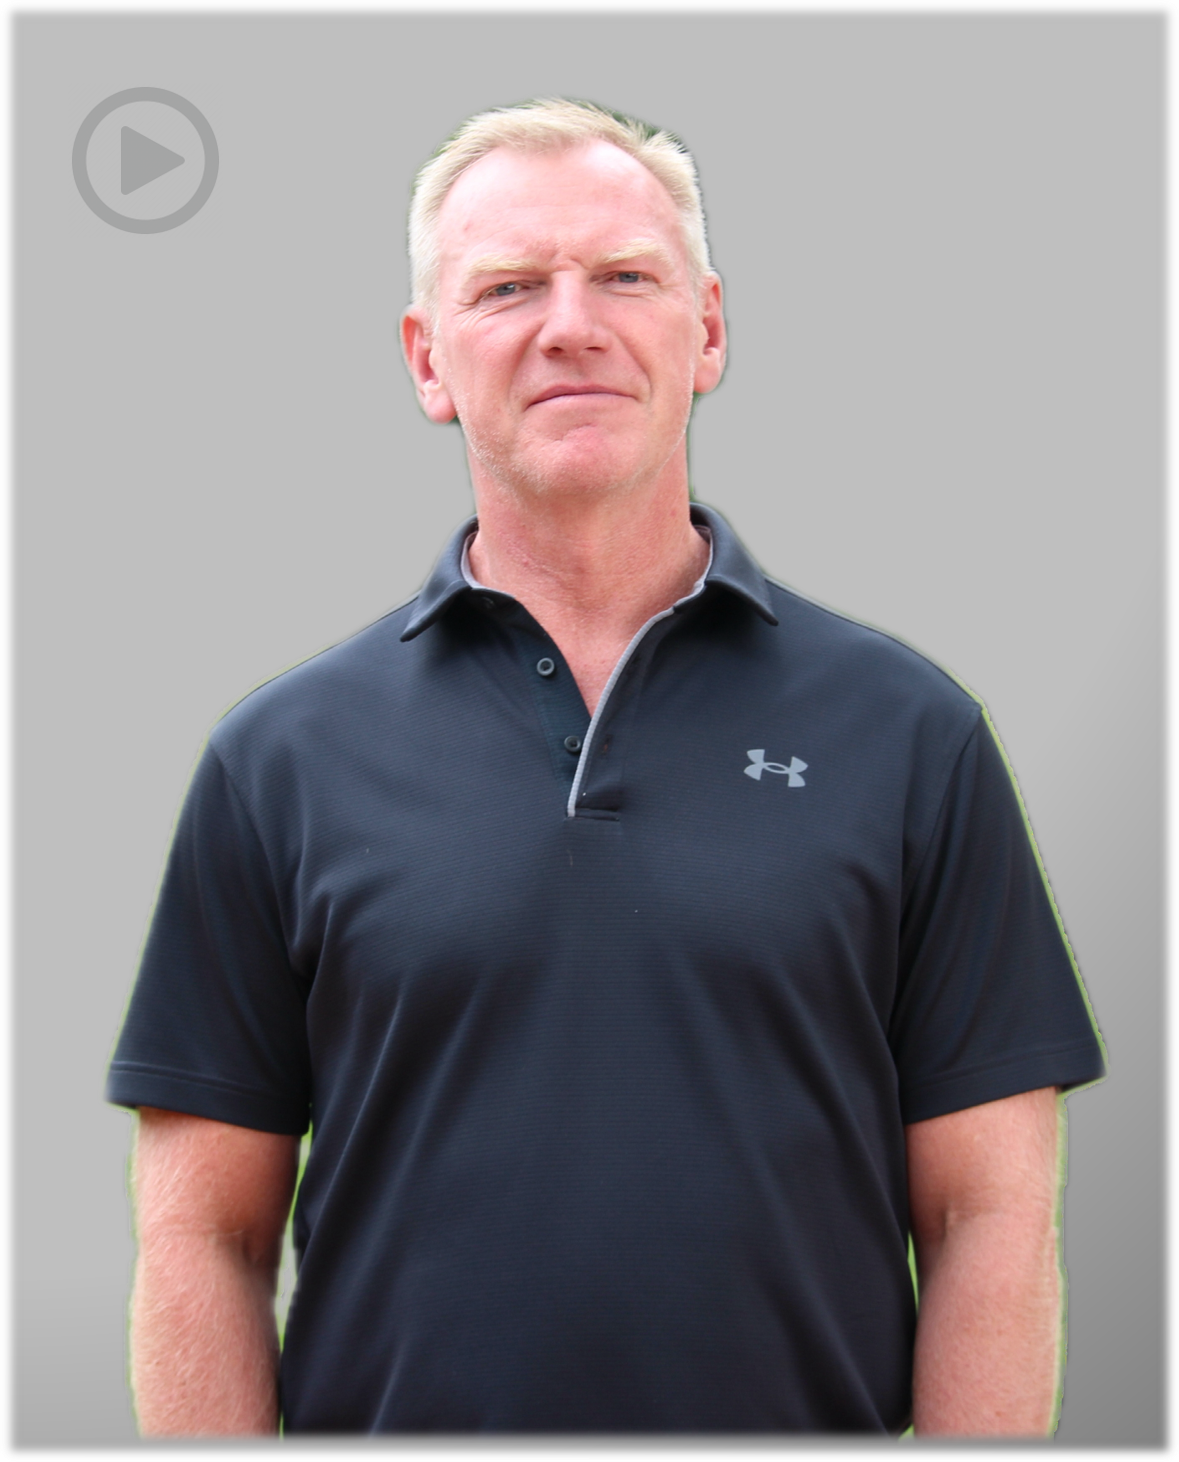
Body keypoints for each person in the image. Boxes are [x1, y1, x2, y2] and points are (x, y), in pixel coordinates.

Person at [106, 98, 1104, 1437]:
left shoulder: (913, 733)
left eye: (625, 277)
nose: (569, 324)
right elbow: (202, 1235)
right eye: (507, 286)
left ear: (708, 330)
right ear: (427, 359)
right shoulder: (275, 758)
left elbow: (988, 1212)